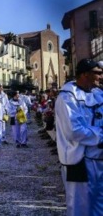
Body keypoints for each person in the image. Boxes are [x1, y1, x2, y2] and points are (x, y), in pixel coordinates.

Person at [55, 58, 103, 216]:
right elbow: (74, 131)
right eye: (98, 73)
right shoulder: (67, 97)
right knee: (80, 207)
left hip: (99, 159)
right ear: (84, 74)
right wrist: (101, 135)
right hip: (79, 161)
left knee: (99, 205)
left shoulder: (98, 94)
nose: (101, 76)